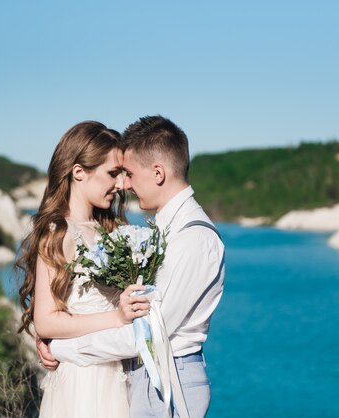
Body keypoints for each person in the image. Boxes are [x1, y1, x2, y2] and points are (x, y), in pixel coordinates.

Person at [39, 115, 226, 417]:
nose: (124, 184)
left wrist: (61, 348)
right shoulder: (163, 231)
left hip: (169, 377)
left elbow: (150, 331)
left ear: (158, 173)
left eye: (127, 173)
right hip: (137, 374)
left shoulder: (194, 239)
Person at [17, 121, 150, 418]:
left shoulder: (111, 230)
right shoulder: (58, 232)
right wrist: (117, 317)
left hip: (118, 372)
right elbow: (47, 322)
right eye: (113, 174)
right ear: (79, 172)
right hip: (83, 382)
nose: (120, 186)